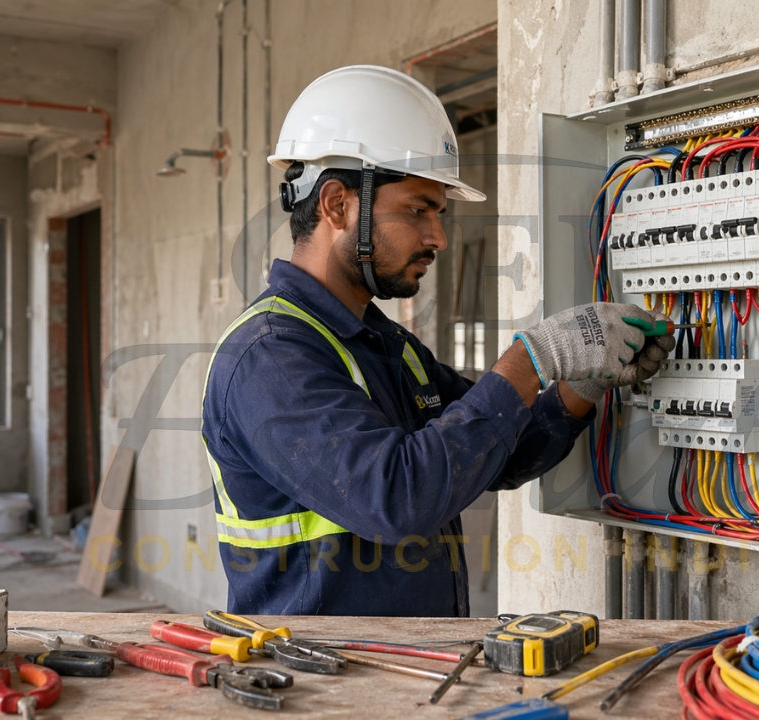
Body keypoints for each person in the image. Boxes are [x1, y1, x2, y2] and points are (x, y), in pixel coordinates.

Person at [201, 65, 671, 616]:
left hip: (407, 672)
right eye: (417, 210)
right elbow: (398, 498)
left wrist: (583, 386)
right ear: (336, 205)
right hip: (322, 687)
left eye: (439, 214)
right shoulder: (270, 356)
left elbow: (496, 452)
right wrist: (535, 356)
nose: (438, 237)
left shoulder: (383, 344)